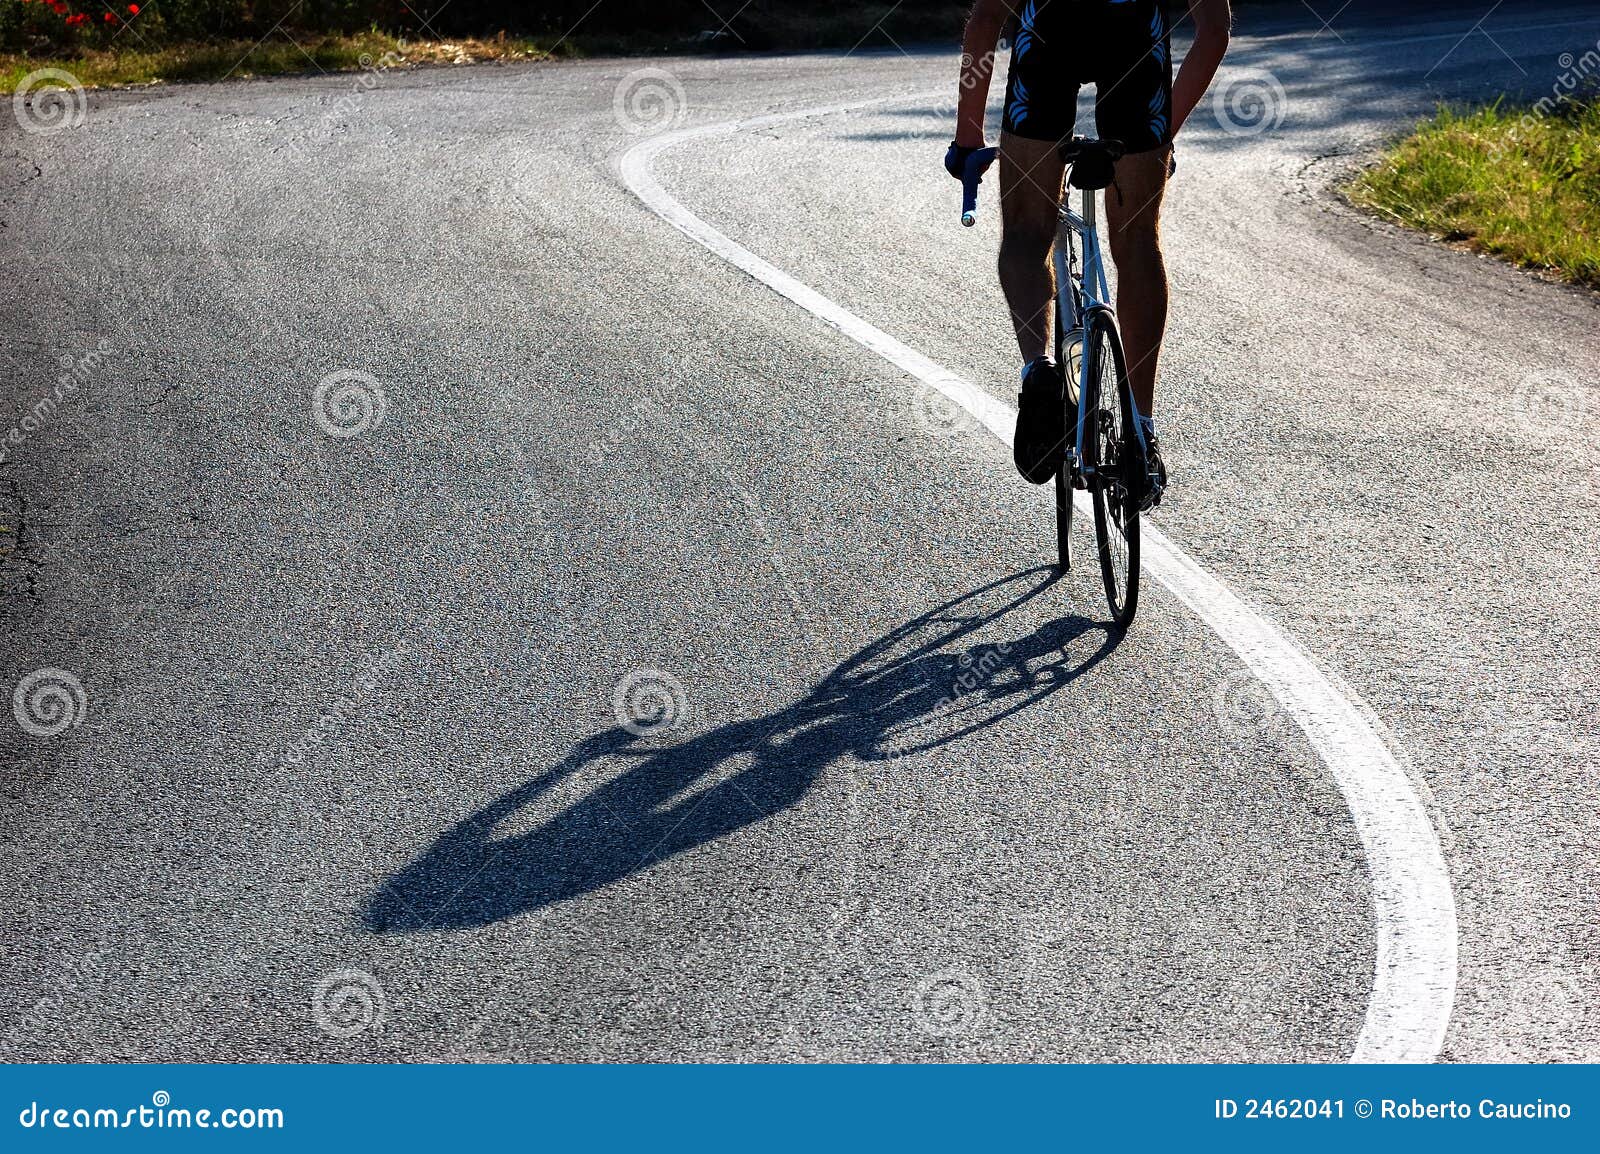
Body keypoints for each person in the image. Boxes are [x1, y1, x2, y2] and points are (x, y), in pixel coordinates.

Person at [946, 0, 1232, 507]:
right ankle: (1139, 432)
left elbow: (987, 18)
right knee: (1138, 243)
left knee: (1025, 239)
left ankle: (1039, 370)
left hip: (1051, 27)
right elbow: (1212, 31)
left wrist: (969, 136)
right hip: (1134, 38)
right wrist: (1164, 131)